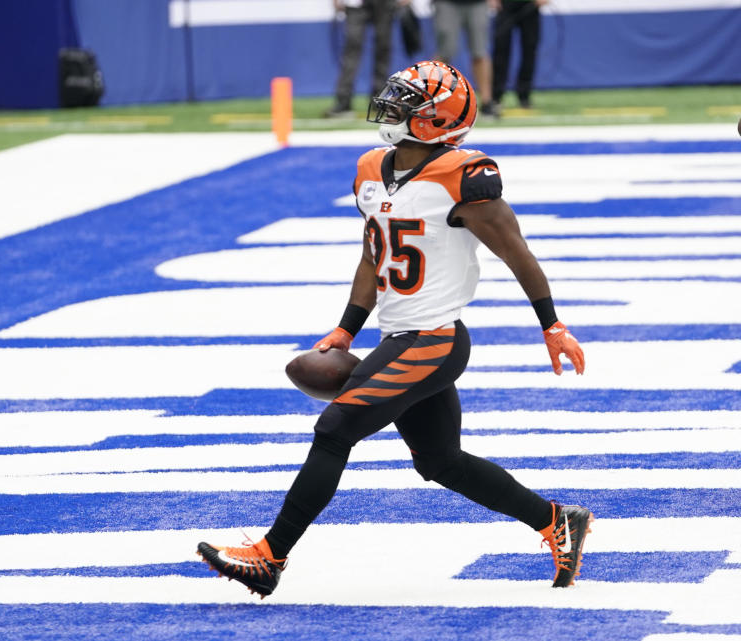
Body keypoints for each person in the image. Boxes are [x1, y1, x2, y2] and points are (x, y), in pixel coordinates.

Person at [198, 60, 592, 598]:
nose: (391, 107)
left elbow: (516, 253)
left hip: (435, 340)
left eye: (406, 102)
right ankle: (555, 520)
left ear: (436, 119)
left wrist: (552, 324)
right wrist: (346, 330)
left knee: (334, 430)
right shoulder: (369, 167)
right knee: (440, 461)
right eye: (394, 97)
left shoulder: (464, 176)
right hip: (398, 336)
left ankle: (270, 556)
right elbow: (372, 257)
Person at [324, 0, 411, 118]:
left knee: (382, 49)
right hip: (355, 4)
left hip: (384, 4)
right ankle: (343, 101)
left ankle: (379, 100)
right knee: (352, 49)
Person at [432, 0, 499, 118]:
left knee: (480, 52)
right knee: (445, 52)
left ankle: (486, 101)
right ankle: (434, 97)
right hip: (446, 3)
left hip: (477, 3)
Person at [491, 0, 547, 109]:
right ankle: (496, 95)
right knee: (501, 50)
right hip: (505, 5)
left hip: (530, 4)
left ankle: (524, 95)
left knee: (529, 50)